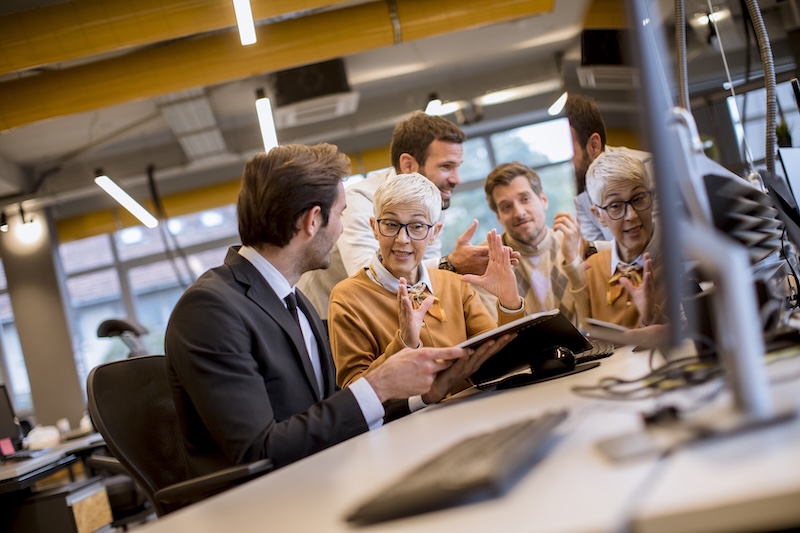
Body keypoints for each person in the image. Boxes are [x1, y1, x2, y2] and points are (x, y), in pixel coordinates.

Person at [164, 144, 512, 478]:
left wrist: (423, 397)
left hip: (333, 474)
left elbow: (330, 414)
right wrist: (377, 385)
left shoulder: (295, 302)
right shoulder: (210, 309)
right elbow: (259, 451)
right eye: (342, 214)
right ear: (313, 220)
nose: (344, 229)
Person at [298, 112, 510, 317]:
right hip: (333, 317)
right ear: (408, 164)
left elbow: (422, 268)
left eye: (457, 167)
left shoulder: (432, 200)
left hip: (393, 309)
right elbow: (365, 276)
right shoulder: (360, 199)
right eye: (446, 167)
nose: (456, 179)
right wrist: (450, 264)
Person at [329, 172, 525, 388]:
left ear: (435, 233)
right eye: (391, 225)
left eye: (417, 226)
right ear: (374, 227)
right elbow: (356, 392)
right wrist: (405, 343)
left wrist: (510, 304)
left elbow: (499, 361)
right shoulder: (347, 298)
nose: (402, 239)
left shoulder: (454, 284)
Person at [568, 150, 665, 329]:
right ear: (598, 216)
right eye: (615, 206)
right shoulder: (591, 271)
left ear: (651, 197)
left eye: (638, 198)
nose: (631, 215)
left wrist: (651, 318)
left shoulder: (680, 260)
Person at [479, 161, 582, 324]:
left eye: (525, 199)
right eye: (506, 207)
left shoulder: (575, 243)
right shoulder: (486, 260)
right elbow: (495, 332)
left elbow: (595, 316)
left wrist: (574, 262)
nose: (519, 213)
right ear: (498, 217)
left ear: (544, 200)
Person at [565, 94, 653, 246]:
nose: (567, 163)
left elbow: (658, 241)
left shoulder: (647, 169)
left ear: (594, 145)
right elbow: (596, 251)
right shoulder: (582, 195)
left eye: (570, 151)